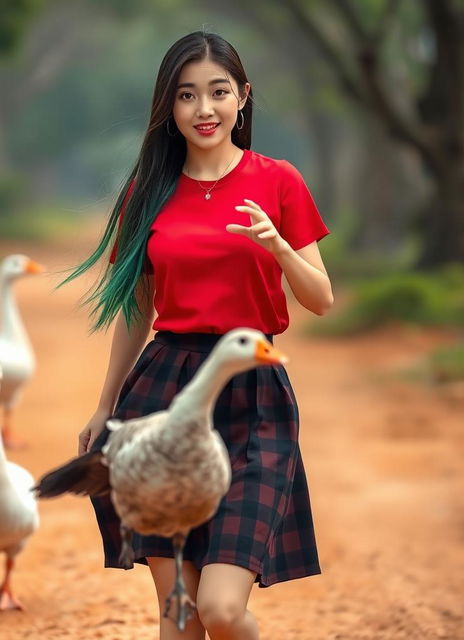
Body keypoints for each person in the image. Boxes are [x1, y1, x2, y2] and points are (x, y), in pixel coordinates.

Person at [63, 30, 333, 640]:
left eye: (217, 92)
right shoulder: (147, 192)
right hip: (165, 395)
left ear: (243, 97)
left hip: (254, 395)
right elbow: (137, 307)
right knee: (179, 616)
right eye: (186, 96)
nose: (203, 110)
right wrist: (107, 404)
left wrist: (279, 246)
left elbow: (320, 298)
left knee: (221, 610)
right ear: (170, 107)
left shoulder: (279, 181)